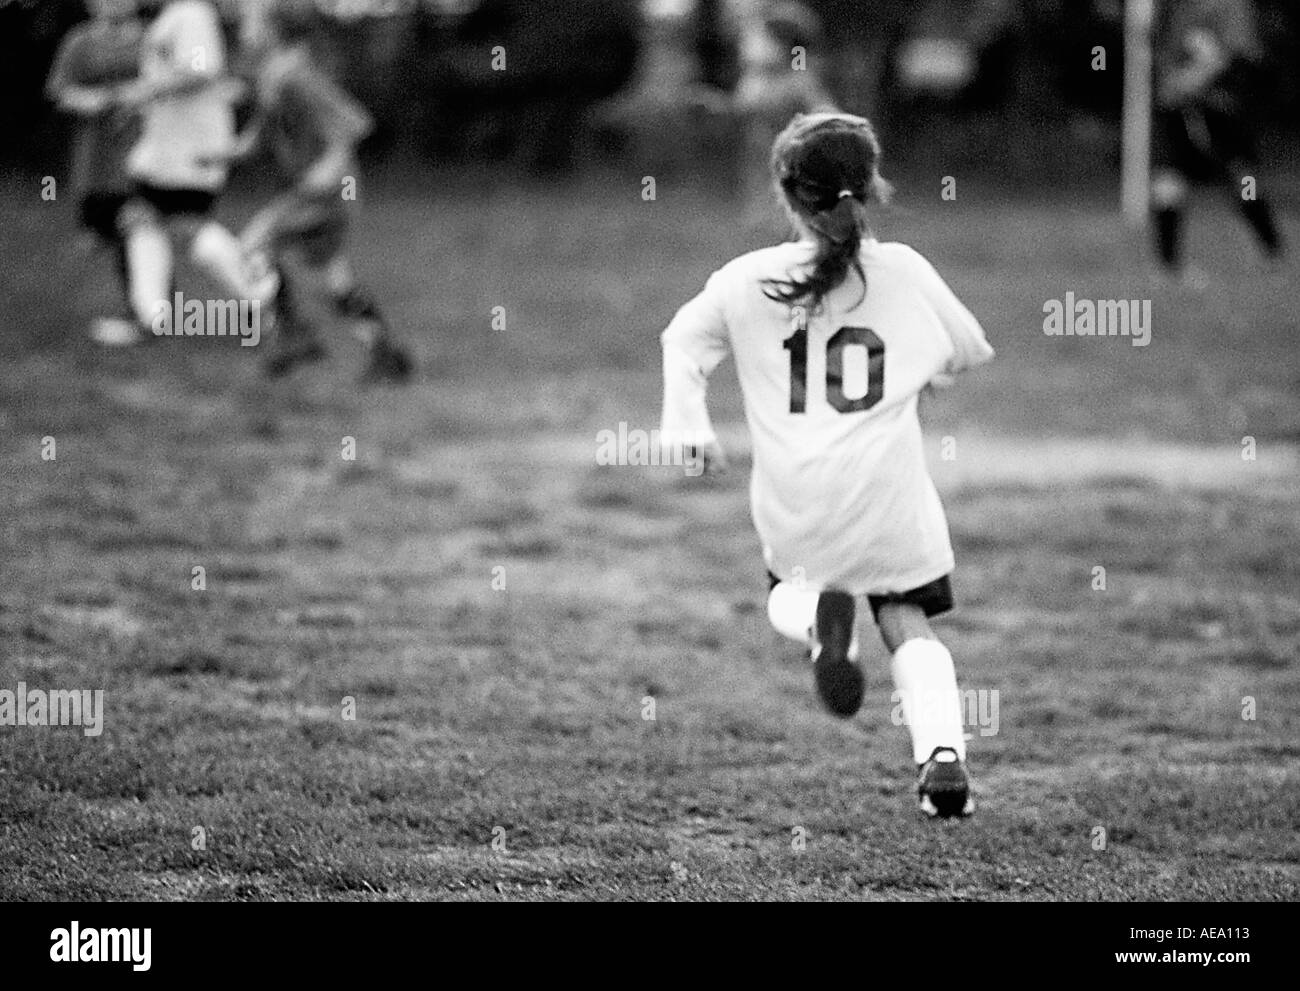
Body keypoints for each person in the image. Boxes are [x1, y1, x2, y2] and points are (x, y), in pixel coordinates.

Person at [659, 112, 993, 818]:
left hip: (797, 500)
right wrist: (916, 364)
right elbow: (965, 347)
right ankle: (942, 760)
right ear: (870, 188)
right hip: (889, 498)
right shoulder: (902, 271)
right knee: (908, 619)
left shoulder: (744, 280)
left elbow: (681, 342)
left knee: (787, 589)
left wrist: (686, 426)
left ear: (788, 194)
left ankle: (818, 619)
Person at [217, 1, 413, 381]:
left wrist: (328, 169)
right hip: (322, 193)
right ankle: (385, 353)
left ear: (273, 31)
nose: (243, 31)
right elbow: (265, 131)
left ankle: (296, 336)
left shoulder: (296, 77)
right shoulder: (273, 76)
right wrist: (225, 154)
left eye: (251, 23)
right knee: (331, 280)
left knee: (253, 247)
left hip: (324, 194)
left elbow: (351, 123)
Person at [117, 0, 273, 343]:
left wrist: (143, 92)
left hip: (190, 145)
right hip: (166, 145)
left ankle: (266, 293)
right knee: (141, 219)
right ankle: (151, 317)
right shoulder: (176, 14)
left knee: (185, 225)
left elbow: (201, 69)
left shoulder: (192, 13)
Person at [1150, 0, 1284, 276]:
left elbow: (1237, 55)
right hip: (1177, 107)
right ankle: (1168, 267)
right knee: (1168, 180)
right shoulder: (1174, 9)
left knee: (1243, 179)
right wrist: (1175, 85)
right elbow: (1163, 55)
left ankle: (1272, 250)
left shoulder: (1231, 7)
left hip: (1223, 109)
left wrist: (1194, 79)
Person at [45, 0, 146, 346]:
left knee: (136, 231)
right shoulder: (80, 41)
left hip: (140, 153)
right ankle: (142, 308)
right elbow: (59, 90)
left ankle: (144, 312)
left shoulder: (150, 39)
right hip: (95, 158)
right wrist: (92, 100)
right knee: (101, 237)